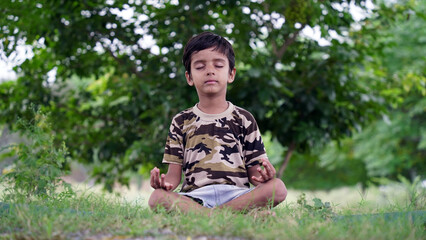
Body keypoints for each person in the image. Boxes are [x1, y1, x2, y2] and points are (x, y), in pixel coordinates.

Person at [148, 32, 287, 215]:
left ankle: (210, 216)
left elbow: (255, 174)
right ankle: (226, 215)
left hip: (238, 195)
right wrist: (164, 184)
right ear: (189, 77)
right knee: (157, 198)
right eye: (200, 66)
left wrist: (265, 176)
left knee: (278, 187)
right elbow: (173, 176)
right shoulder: (180, 121)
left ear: (231, 74)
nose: (210, 71)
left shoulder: (244, 118)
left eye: (218, 65)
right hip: (196, 197)